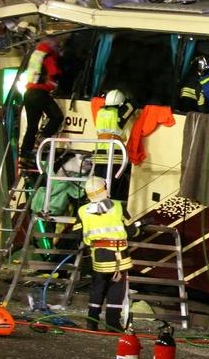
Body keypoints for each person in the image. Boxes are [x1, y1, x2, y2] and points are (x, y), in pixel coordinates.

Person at [74, 176, 137, 331]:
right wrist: (142, 225)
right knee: (116, 289)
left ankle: (92, 321)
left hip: (98, 255)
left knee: (97, 288)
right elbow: (132, 231)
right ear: (105, 189)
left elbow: (77, 233)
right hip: (118, 256)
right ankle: (112, 324)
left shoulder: (82, 211)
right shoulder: (118, 206)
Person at [20, 36, 64, 161]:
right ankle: (43, 138)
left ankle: (25, 152)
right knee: (57, 117)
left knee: (31, 126)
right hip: (40, 93)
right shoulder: (48, 57)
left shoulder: (35, 55)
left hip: (28, 93)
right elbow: (54, 72)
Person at [92, 88, 134, 201]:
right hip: (114, 154)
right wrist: (127, 100)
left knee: (98, 186)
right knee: (110, 186)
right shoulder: (118, 113)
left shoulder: (100, 112)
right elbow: (132, 106)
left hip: (99, 153)